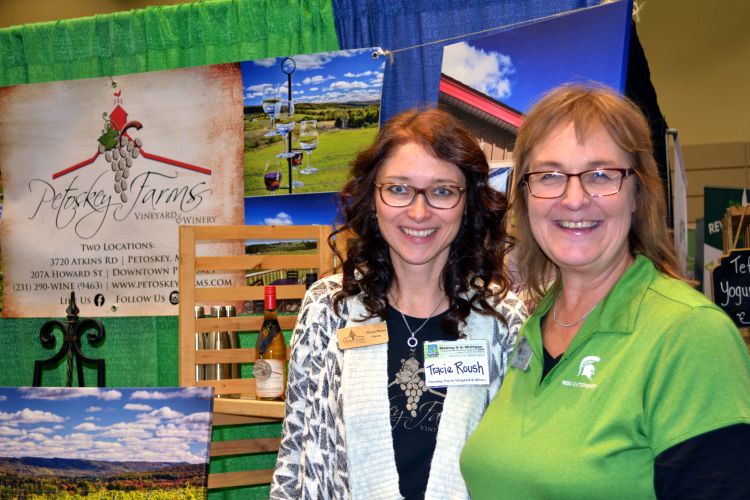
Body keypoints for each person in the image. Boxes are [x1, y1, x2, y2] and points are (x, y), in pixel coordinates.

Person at [460, 83, 750, 499]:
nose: (573, 198)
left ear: (638, 193)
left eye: (600, 175)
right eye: (549, 175)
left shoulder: (690, 336)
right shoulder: (533, 325)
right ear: (525, 196)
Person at [271, 108, 526, 499]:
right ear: (373, 197)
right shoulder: (328, 310)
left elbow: (515, 467)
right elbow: (294, 459)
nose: (419, 212)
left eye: (442, 190)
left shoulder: (503, 320)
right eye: (399, 188)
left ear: (468, 203)